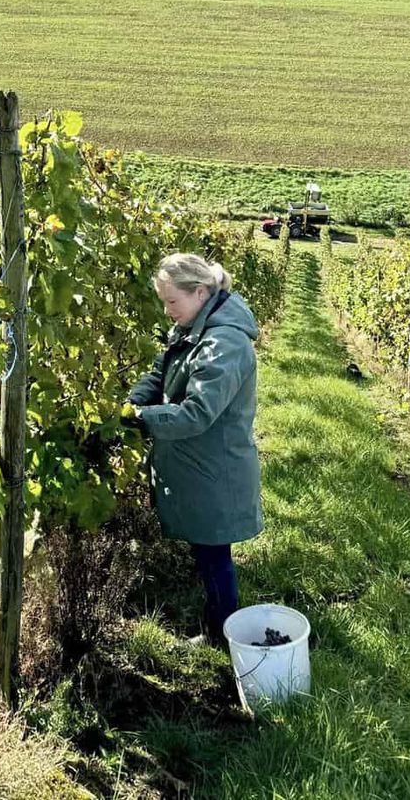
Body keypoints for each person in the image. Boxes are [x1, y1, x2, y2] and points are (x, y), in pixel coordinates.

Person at [124, 253, 262, 645]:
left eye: (172, 301)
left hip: (217, 470)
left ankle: (221, 636)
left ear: (200, 292)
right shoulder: (194, 325)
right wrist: (133, 402)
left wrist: (141, 419)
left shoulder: (224, 342)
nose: (167, 311)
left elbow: (198, 413)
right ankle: (218, 629)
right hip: (201, 466)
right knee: (207, 554)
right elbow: (160, 370)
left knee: (215, 557)